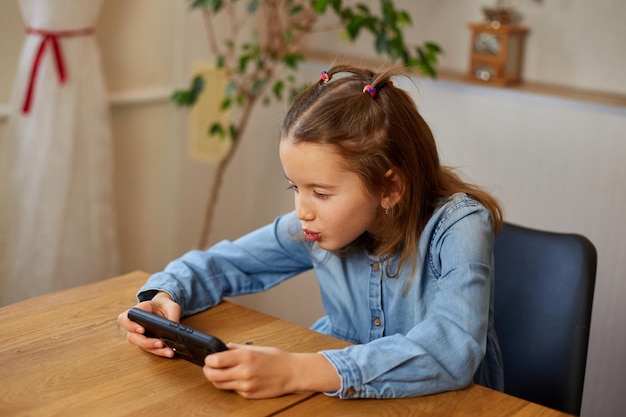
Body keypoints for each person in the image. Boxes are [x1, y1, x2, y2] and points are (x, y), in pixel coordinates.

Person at [118, 64, 504, 400]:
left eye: (320, 193)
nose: (301, 210)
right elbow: (223, 264)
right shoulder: (315, 225)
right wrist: (162, 296)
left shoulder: (459, 228)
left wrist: (297, 371)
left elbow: (451, 351)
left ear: (389, 188)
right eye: (295, 187)